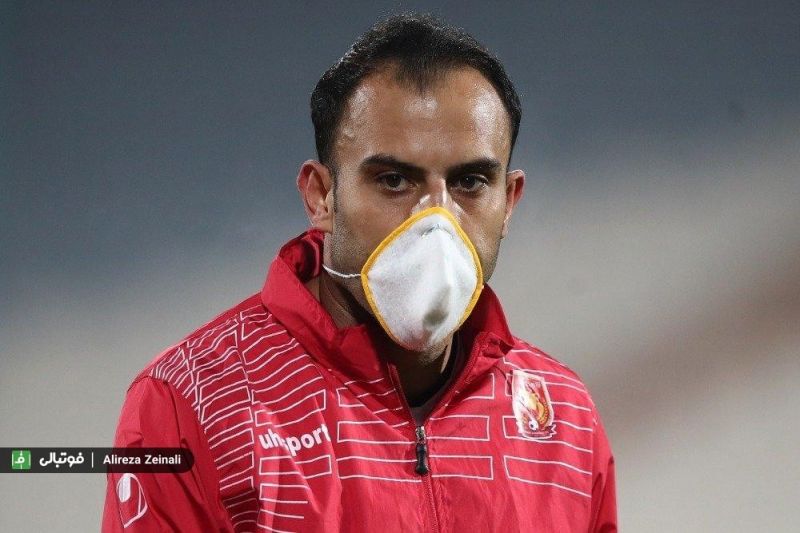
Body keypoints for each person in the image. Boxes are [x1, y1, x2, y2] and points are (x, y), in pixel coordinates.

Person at [102, 13, 616, 532]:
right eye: (393, 180)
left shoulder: (565, 416)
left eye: (470, 182)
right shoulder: (189, 403)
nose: (437, 220)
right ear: (321, 196)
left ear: (508, 202)